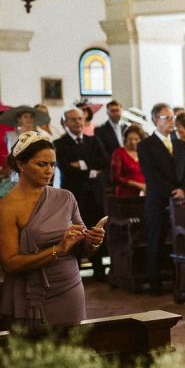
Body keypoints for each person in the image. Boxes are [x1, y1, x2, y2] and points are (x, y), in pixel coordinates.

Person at [0, 132, 104, 328]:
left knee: (73, 349)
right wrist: (58, 249)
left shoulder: (65, 197)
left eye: (52, 164)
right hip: (31, 291)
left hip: (69, 286)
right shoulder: (7, 207)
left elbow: (83, 248)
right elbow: (9, 264)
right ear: (21, 164)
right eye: (42, 164)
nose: (49, 171)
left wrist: (93, 241)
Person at [139, 103, 185, 295]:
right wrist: (172, 191)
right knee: (156, 240)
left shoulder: (179, 144)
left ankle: (182, 279)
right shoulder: (145, 145)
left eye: (173, 118)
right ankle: (155, 282)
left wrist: (184, 190)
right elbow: (151, 175)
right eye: (167, 118)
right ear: (155, 120)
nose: (172, 122)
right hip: (158, 200)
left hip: (180, 201)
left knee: (182, 240)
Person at [53, 107, 109, 281]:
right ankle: (75, 271)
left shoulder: (94, 140)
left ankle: (99, 270)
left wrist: (81, 165)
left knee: (95, 230)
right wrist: (91, 169)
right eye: (73, 119)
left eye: (80, 119)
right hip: (74, 194)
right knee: (76, 232)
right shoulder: (59, 144)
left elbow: (104, 162)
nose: (78, 122)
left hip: (94, 195)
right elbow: (67, 169)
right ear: (65, 123)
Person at [110, 124, 147, 197]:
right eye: (130, 139)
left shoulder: (144, 153)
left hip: (145, 194)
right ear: (126, 139)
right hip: (125, 196)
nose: (133, 142)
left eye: (136, 139)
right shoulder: (119, 153)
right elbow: (115, 177)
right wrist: (138, 185)